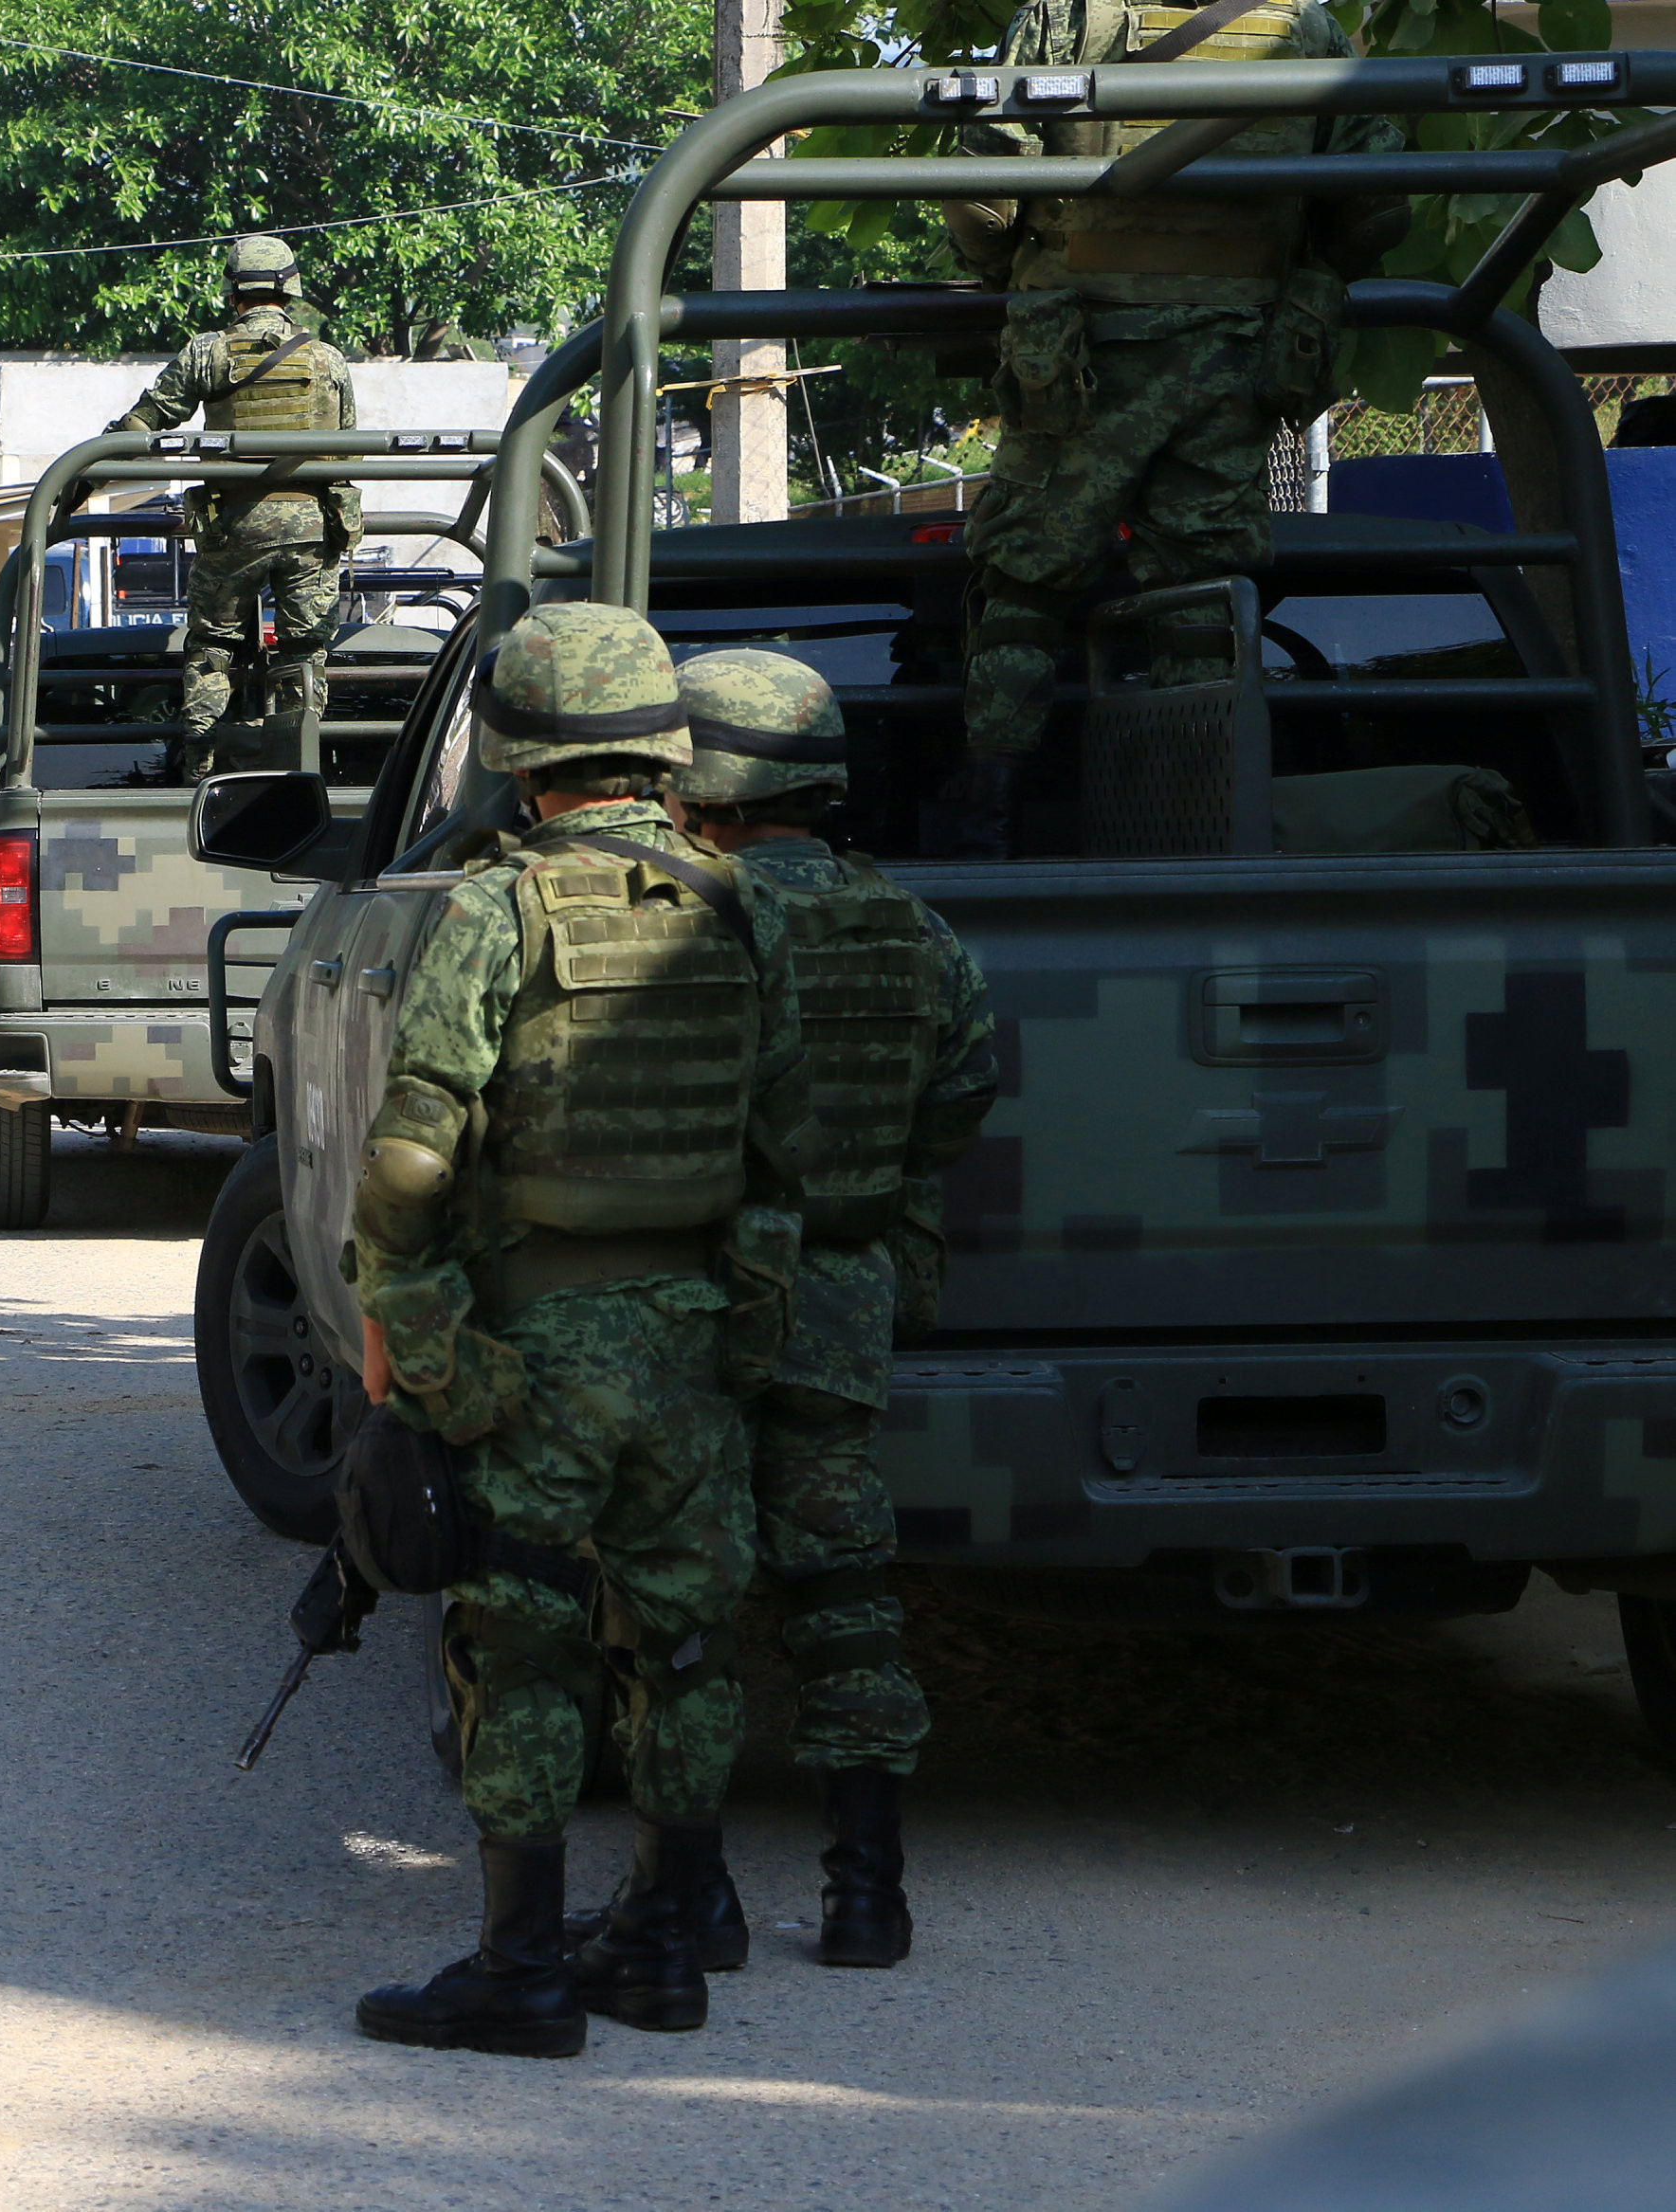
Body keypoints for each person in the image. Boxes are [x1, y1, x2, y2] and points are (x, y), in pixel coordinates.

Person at [350, 603, 815, 2061]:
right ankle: (669, 1941)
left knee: (527, 1641)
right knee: (683, 1642)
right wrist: (746, 1324)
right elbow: (788, 1149)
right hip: (693, 1347)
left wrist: (410, 1329)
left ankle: (522, 1969)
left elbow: (414, 1149)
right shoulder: (742, 907)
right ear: (658, 749)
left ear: (522, 757)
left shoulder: (493, 910)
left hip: (534, 1356)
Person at [644, 648, 1000, 1970]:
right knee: (843, 1588)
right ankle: (869, 1896)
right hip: (842, 1300)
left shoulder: (678, 917)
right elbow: (962, 1091)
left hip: (686, 1294)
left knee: (681, 1595)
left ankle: (700, 1899)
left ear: (705, 779)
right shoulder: (911, 927)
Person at [930, 0, 1408, 858]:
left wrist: (1014, 267)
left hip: (1075, 358)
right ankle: (1207, 821)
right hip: (1235, 358)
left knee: (1025, 583)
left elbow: (985, 201)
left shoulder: (1068, 16)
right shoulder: (1308, 26)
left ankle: (986, 822)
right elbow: (1374, 207)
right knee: (1205, 591)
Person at [106, 234, 359, 776]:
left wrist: (94, 463)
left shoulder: (208, 352)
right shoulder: (327, 360)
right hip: (308, 530)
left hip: (231, 528)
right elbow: (345, 454)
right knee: (303, 654)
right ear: (289, 290)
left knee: (212, 648)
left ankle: (200, 768)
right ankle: (300, 767)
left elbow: (145, 420)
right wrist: (343, 530)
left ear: (233, 292)